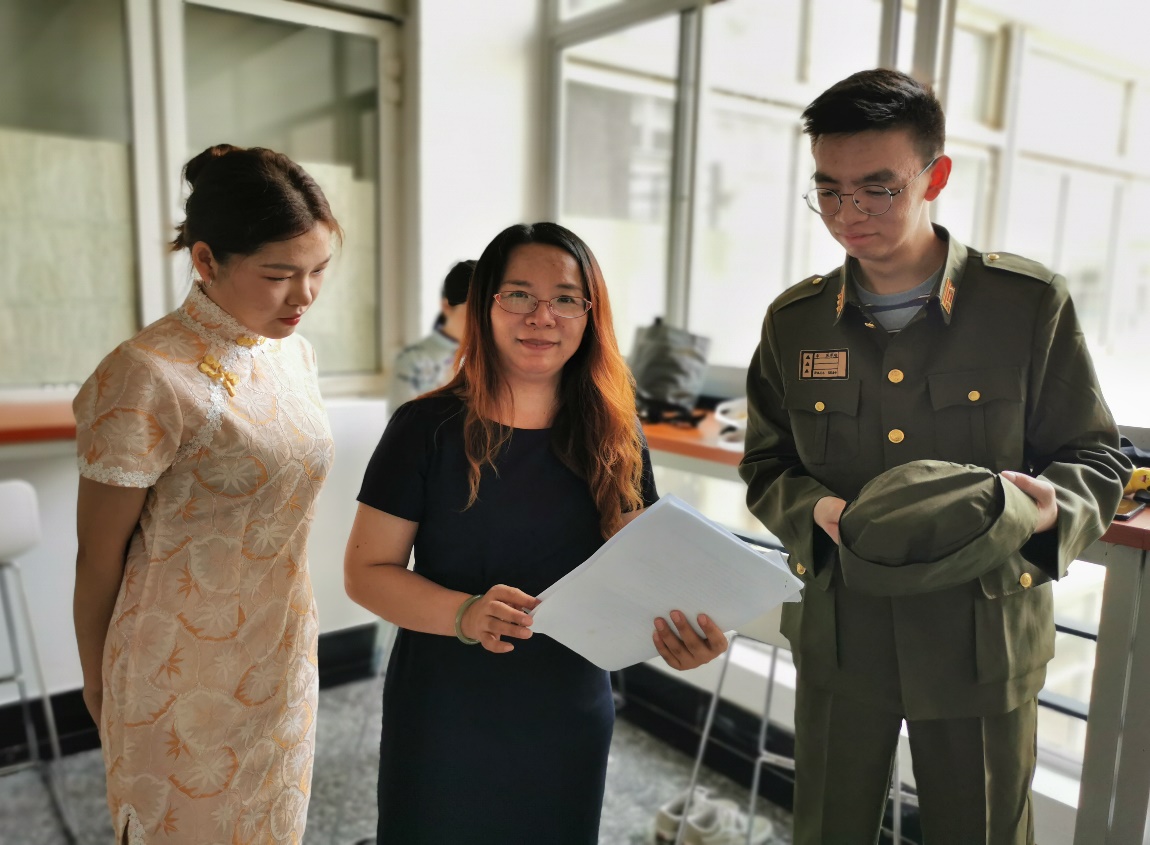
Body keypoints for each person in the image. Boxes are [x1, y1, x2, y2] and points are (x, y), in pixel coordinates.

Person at [739, 69, 1132, 845]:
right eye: (829, 190)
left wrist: (1050, 509)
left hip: (981, 634)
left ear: (936, 175)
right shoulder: (796, 321)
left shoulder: (1025, 304)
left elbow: (1094, 453)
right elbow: (766, 463)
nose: (849, 213)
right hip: (844, 630)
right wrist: (816, 510)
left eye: (877, 189)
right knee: (826, 829)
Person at [344, 221, 728, 844]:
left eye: (566, 299)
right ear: (485, 304)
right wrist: (467, 613)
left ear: (590, 314)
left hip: (567, 708)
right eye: (519, 294)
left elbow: (642, 569)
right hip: (444, 708)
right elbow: (367, 573)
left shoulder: (614, 431)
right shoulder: (424, 427)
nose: (541, 316)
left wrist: (682, 632)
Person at [72, 144, 341, 845]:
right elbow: (97, 557)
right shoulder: (145, 373)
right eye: (278, 274)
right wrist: (99, 684)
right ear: (205, 260)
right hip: (176, 672)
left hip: (282, 651)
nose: (303, 296)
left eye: (317, 270)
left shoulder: (294, 353)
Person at [386, 259, 475, 413]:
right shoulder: (412, 360)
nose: (482, 321)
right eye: (474, 310)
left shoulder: (496, 355)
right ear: (446, 306)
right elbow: (402, 422)